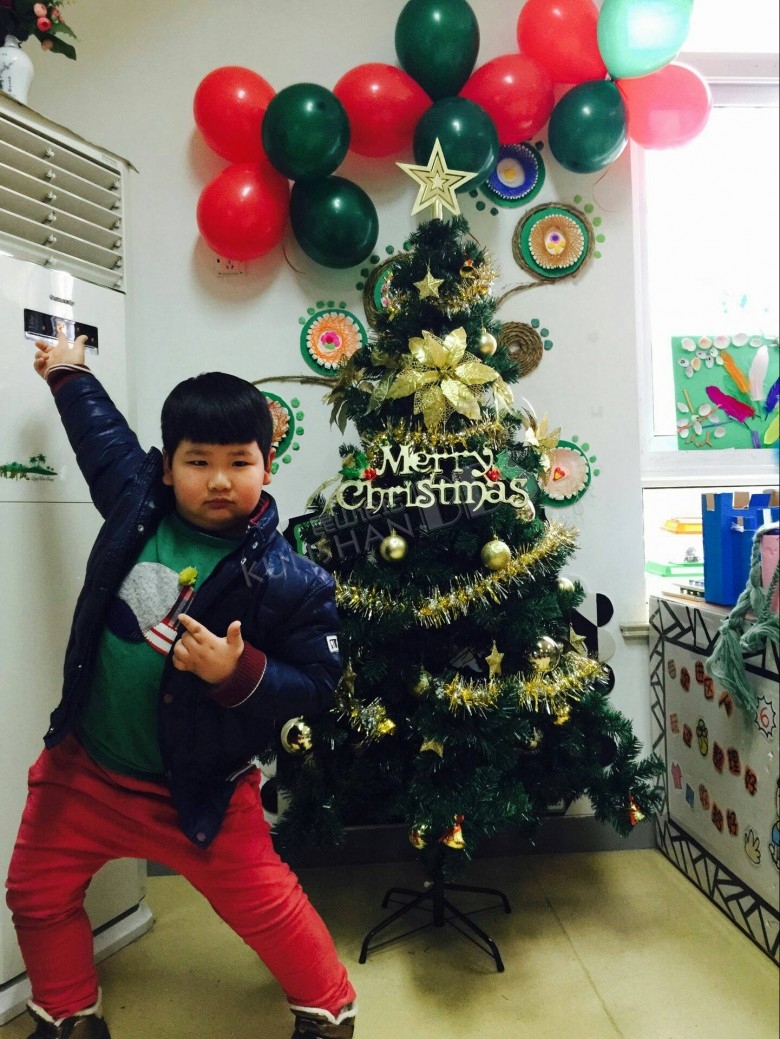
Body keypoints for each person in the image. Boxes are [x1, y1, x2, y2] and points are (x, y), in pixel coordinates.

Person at [5, 329, 357, 1039]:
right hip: (85, 770)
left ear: (267, 465)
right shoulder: (134, 503)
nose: (220, 480)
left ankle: (329, 1008)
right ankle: (68, 1011)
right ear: (167, 468)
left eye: (240, 461)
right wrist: (69, 375)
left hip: (200, 790)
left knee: (263, 904)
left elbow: (320, 682)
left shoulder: (291, 578)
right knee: (35, 893)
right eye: (199, 461)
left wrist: (239, 672)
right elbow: (101, 439)